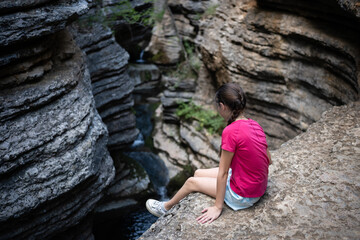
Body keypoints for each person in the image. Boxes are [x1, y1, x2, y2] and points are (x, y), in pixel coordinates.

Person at [146, 82, 272, 224]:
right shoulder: (254, 124)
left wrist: (217, 207)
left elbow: (223, 173)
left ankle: (165, 207)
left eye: (218, 106)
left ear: (222, 106)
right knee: (199, 172)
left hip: (244, 195)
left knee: (191, 182)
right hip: (258, 186)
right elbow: (269, 159)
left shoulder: (231, 131)